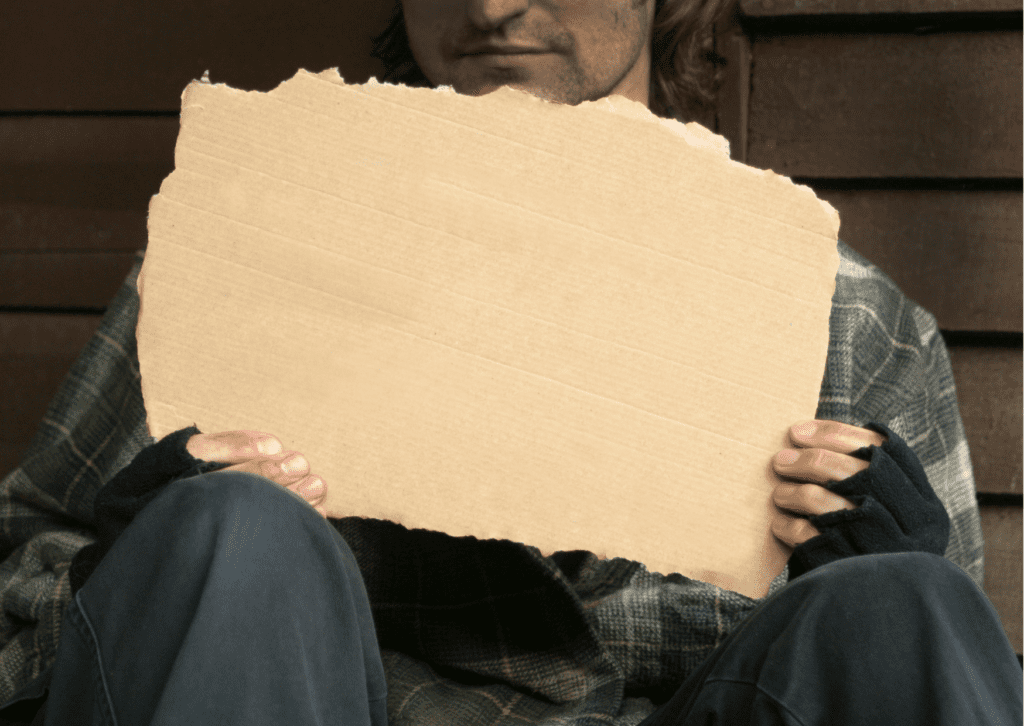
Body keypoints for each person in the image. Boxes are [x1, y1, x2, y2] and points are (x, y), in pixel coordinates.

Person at [0, 0, 1019, 724]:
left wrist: (893, 570)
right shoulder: (247, 253)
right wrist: (132, 563)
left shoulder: (846, 317)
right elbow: (20, 588)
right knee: (228, 529)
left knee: (902, 603)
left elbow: (934, 668)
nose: (489, 5)